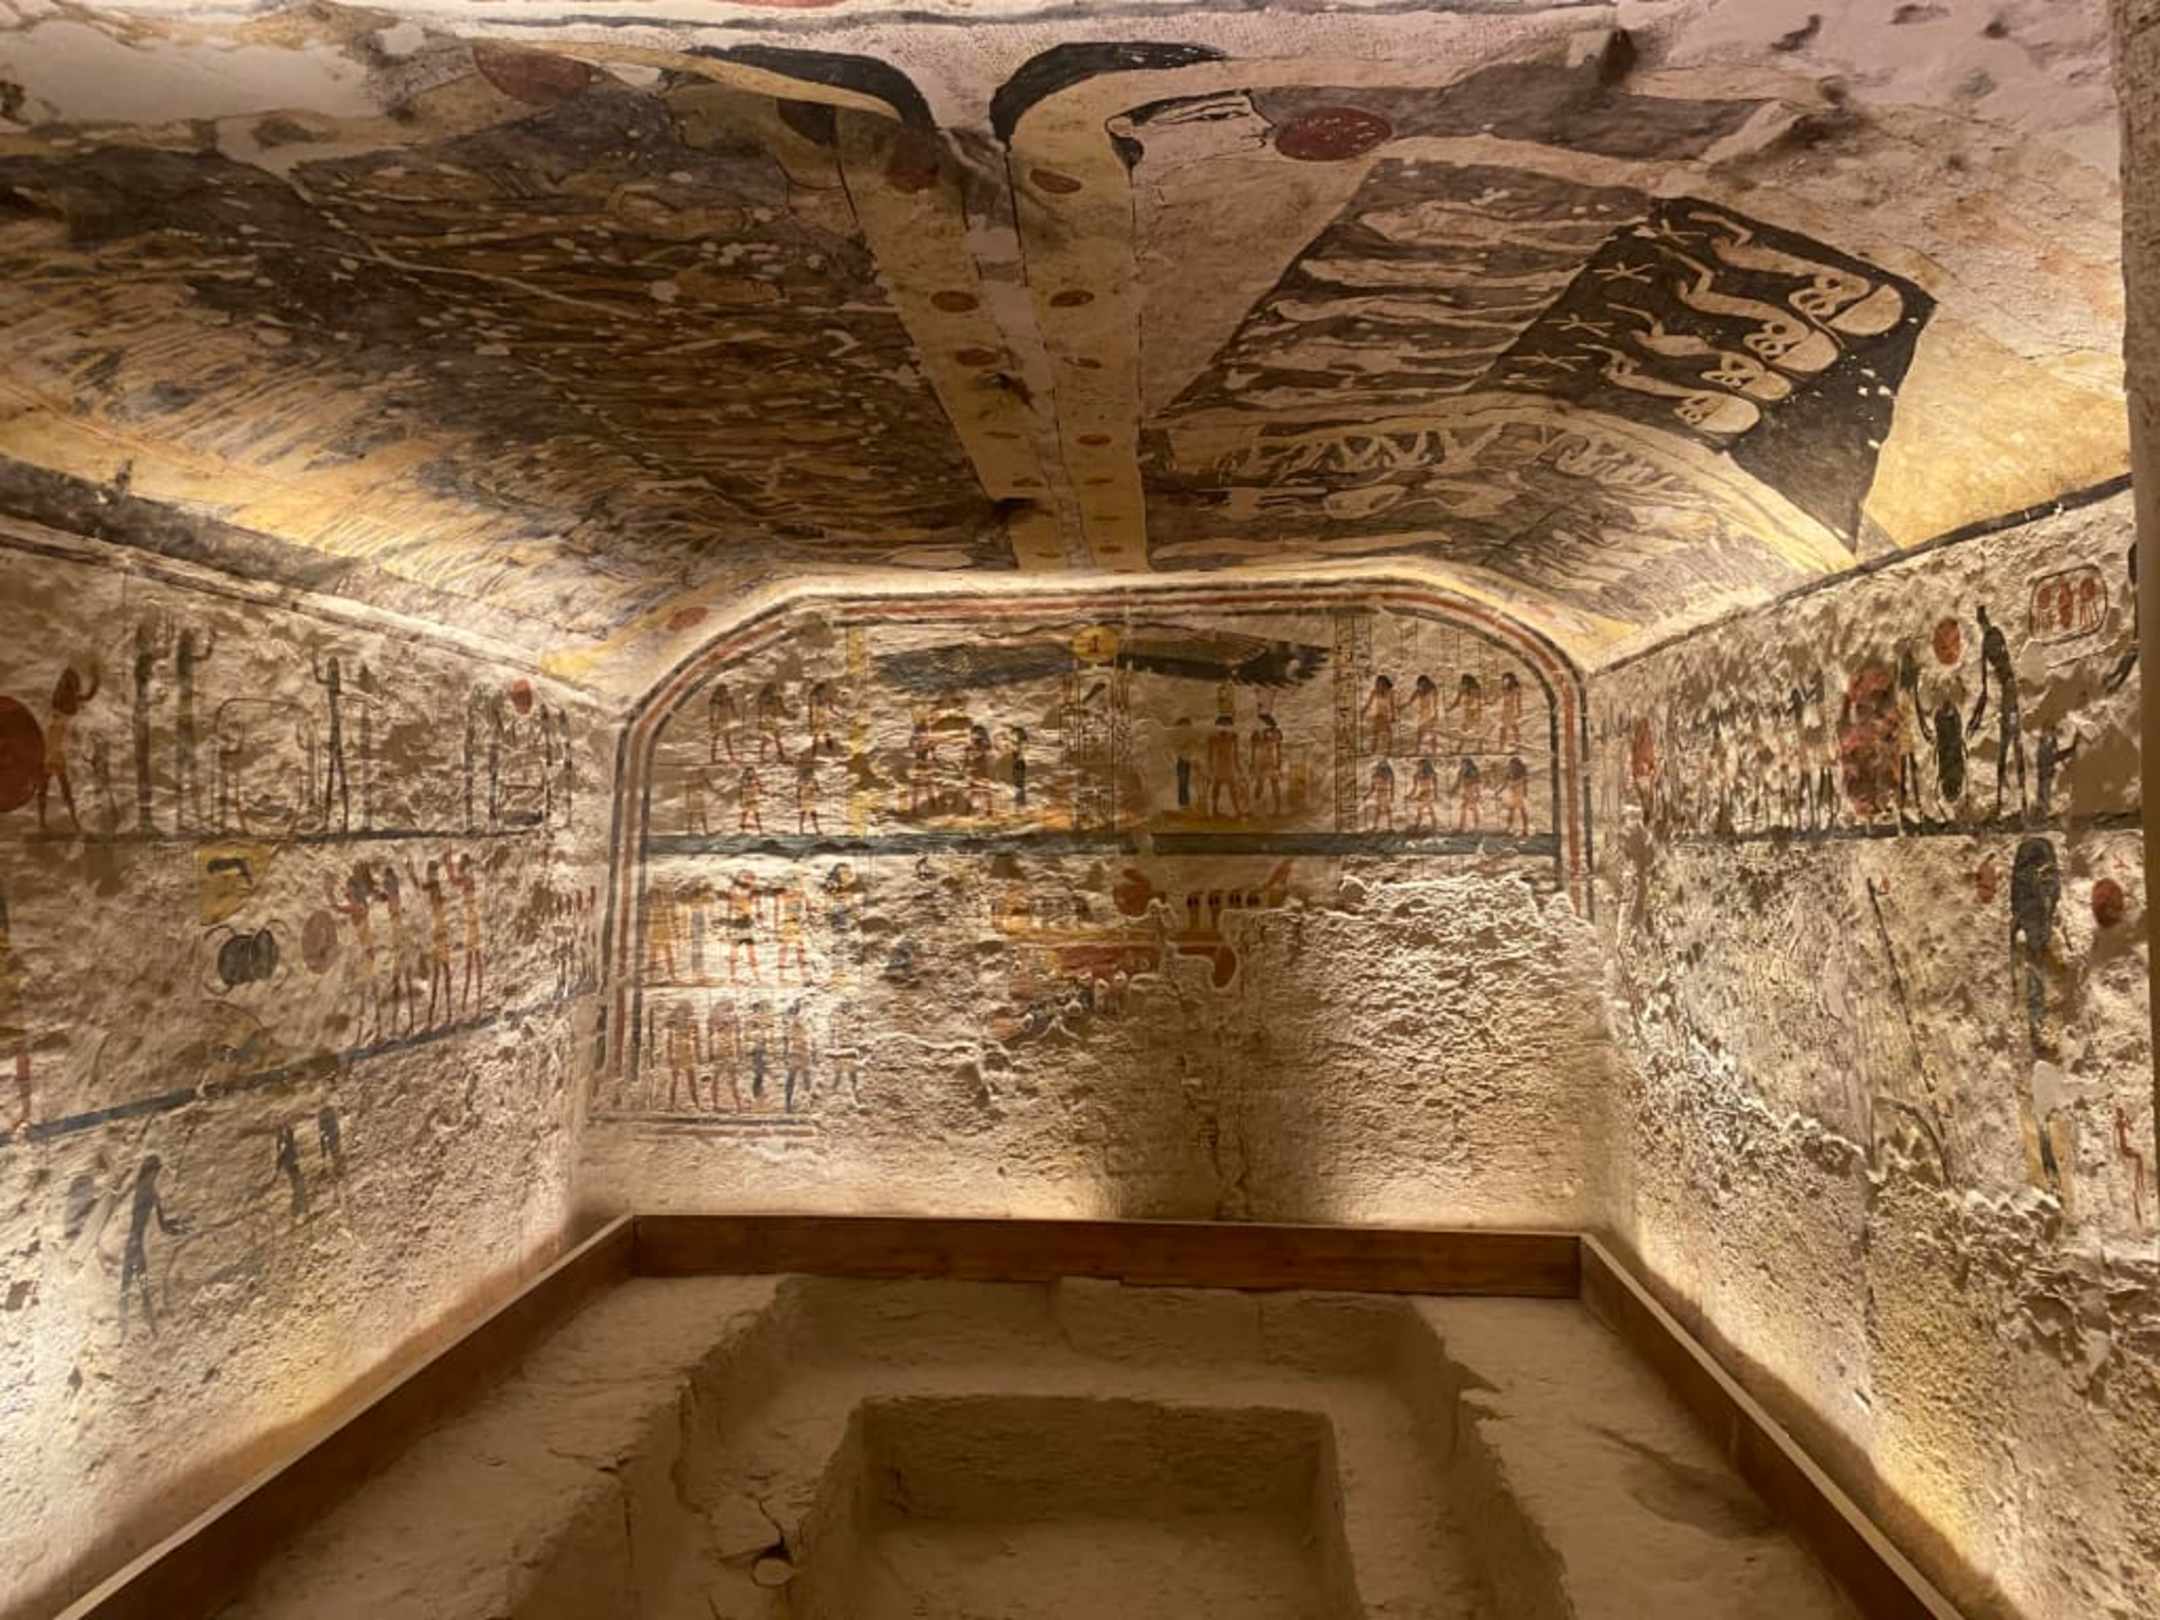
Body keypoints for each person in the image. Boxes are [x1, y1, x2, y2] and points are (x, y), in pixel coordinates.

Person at [1966, 605, 2026, 817]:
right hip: (2005, 695)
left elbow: (2003, 667)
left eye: (1981, 621)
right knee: (2007, 747)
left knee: (2013, 745)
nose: (1981, 625)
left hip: (2009, 694)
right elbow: (1985, 685)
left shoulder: (1994, 636)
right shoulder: (1988, 641)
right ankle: (2005, 802)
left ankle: (2019, 803)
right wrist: (1976, 717)